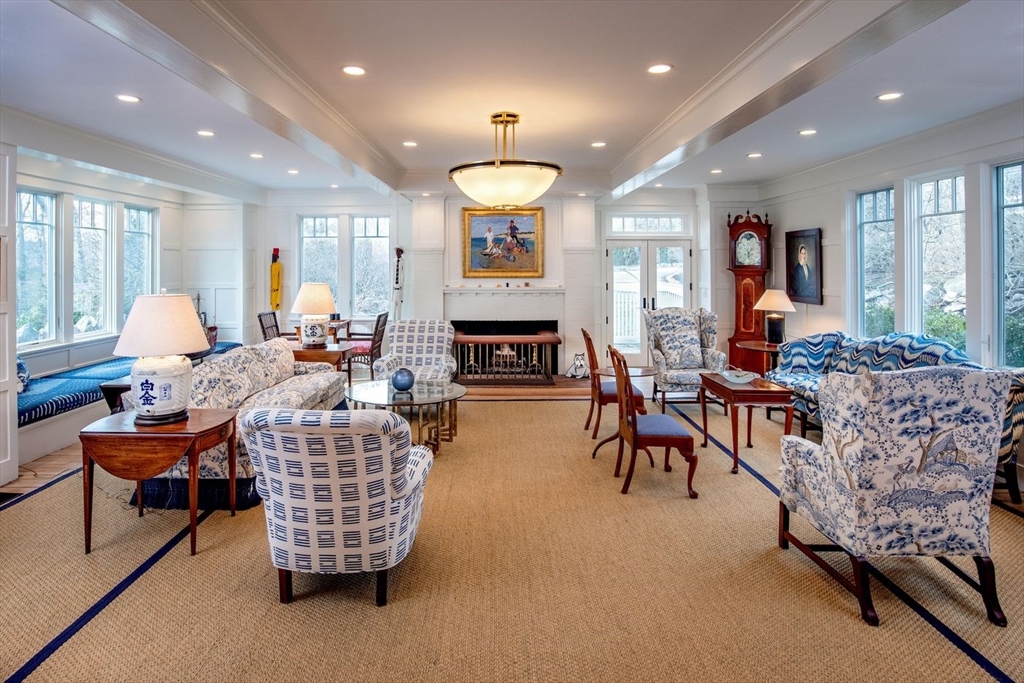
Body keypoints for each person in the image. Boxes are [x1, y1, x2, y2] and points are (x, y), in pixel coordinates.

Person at [391, 246, 405, 321]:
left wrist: (402, 296)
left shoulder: (403, 261)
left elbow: (404, 276)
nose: (397, 253)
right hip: (394, 289)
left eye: (399, 251)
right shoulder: (394, 261)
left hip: (399, 289)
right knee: (393, 309)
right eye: (396, 251)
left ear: (401, 253)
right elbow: (393, 275)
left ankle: (399, 322)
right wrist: (392, 295)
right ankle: (393, 323)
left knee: (399, 308)